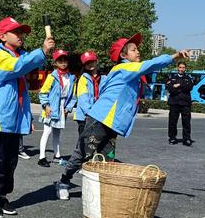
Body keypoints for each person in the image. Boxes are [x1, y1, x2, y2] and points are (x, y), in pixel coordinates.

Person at [56, 34, 188, 199]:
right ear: (123, 56)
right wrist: (174, 56)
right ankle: (63, 182)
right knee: (83, 153)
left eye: (137, 49)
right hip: (99, 119)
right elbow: (151, 64)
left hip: (112, 122)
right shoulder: (124, 68)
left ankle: (100, 191)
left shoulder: (125, 72)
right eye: (134, 50)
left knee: (107, 159)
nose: (138, 52)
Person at [0, 16, 55, 218]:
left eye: (22, 32)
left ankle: (2, 196)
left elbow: (24, 85)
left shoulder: (20, 55)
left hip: (15, 119)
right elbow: (18, 66)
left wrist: (27, 120)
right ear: (3, 36)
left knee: (10, 162)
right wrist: (42, 51)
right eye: (17, 32)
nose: (21, 36)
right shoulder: (1, 57)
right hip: (1, 120)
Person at [38, 49, 76, 167]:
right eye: (60, 60)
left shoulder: (71, 77)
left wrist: (68, 108)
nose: (63, 62)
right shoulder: (52, 76)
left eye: (65, 60)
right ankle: (42, 157)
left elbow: (73, 96)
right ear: (55, 63)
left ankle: (57, 156)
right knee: (47, 132)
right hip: (51, 107)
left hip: (62, 108)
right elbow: (43, 92)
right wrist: (46, 106)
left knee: (57, 133)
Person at [165, 60, 194, 146]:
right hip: (174, 102)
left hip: (185, 103)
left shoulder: (189, 77)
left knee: (186, 122)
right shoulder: (171, 77)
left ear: (185, 68)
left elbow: (189, 87)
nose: (181, 69)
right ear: (177, 68)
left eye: (183, 67)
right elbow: (169, 88)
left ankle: (187, 139)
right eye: (180, 67)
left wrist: (178, 85)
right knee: (172, 122)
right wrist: (181, 87)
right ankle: (172, 138)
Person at [75, 51, 102, 136]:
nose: (90, 64)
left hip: (98, 115)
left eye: (92, 61)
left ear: (96, 61)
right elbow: (83, 98)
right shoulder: (83, 78)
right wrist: (89, 113)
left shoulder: (104, 78)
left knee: (95, 141)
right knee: (84, 141)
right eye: (87, 63)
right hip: (85, 116)